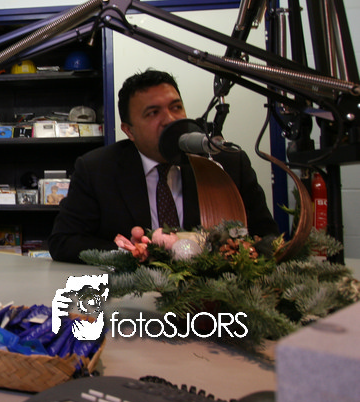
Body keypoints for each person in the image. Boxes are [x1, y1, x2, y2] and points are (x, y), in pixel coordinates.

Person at [48, 69, 279, 263]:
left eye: (176, 107)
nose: (170, 119)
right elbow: (63, 241)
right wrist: (130, 253)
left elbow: (268, 237)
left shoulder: (226, 162)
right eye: (153, 113)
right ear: (129, 130)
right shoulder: (97, 169)